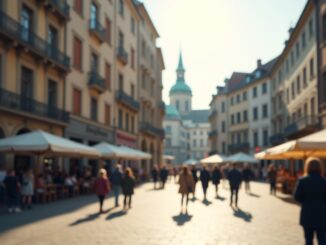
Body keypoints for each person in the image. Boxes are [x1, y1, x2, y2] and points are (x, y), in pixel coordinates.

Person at [294, 158, 326, 245]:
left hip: (307, 215)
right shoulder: (324, 182)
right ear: (320, 168)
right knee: (322, 240)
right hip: (322, 216)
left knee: (308, 241)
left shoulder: (302, 181)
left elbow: (297, 197)